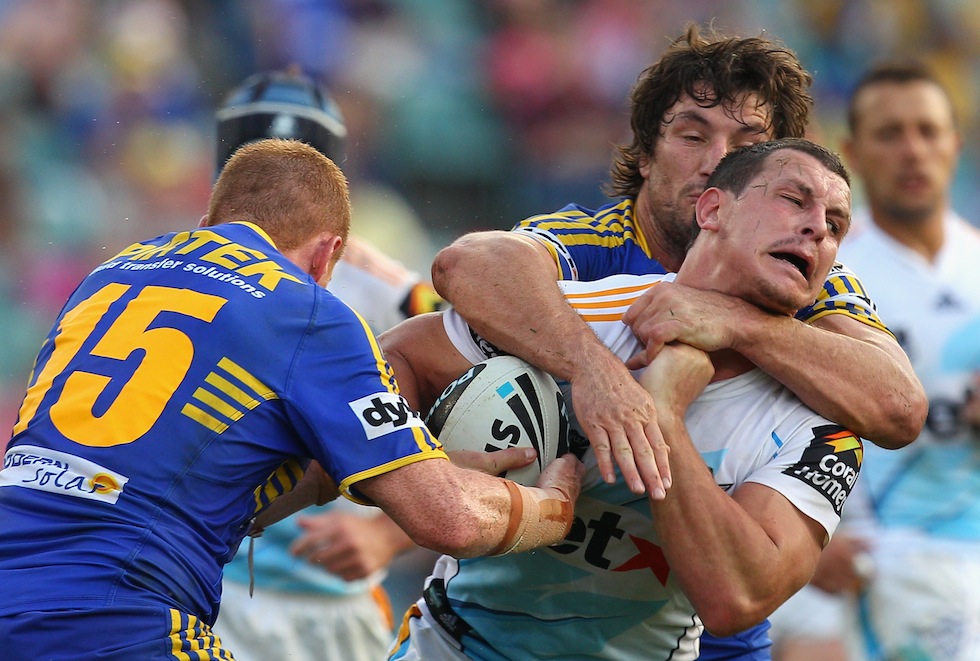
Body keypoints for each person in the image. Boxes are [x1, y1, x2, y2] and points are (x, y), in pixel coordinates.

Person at [430, 23, 927, 659]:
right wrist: (596, 373)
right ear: (645, 153)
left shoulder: (806, 277)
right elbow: (468, 266)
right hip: (496, 623)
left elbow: (897, 407)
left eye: (748, 143)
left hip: (708, 633)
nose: (717, 158)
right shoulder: (595, 247)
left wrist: (740, 323)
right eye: (694, 135)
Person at [0, 138, 584, 661]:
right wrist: (553, 509)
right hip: (122, 616)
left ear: (210, 221)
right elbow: (449, 520)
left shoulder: (108, 276)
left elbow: (193, 476)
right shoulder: (309, 311)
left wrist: (360, 467)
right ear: (328, 255)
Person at [380, 138, 862, 660]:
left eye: (835, 225)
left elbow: (737, 599)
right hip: (455, 647)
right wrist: (418, 467)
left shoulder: (822, 424)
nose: (817, 226)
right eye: (794, 199)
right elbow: (392, 362)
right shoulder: (569, 318)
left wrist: (662, 416)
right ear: (714, 208)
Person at [210, 69, 439, 661]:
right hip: (211, 586)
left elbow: (479, 419)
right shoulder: (174, 273)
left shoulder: (399, 296)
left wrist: (387, 535)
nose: (274, 194)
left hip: (337, 605)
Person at [770, 60, 980, 661]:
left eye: (927, 131)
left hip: (963, 554)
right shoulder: (817, 276)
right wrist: (807, 543)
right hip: (843, 558)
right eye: (890, 134)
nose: (912, 151)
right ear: (853, 153)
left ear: (955, 145)